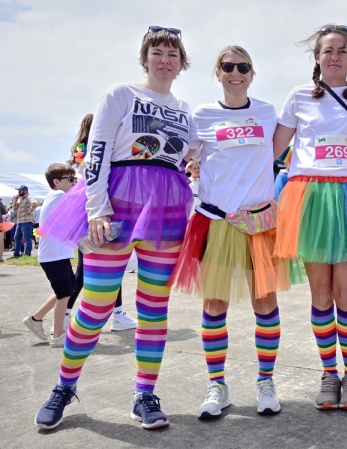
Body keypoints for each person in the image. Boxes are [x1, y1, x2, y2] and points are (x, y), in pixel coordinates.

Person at [34, 25, 197, 430]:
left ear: (181, 64)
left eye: (172, 54)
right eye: (157, 52)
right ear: (145, 58)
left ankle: (145, 394)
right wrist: (97, 210)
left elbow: (197, 155)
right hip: (118, 205)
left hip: (168, 210)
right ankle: (64, 387)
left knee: (154, 306)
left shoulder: (185, 109)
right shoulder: (121, 93)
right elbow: (98, 152)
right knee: (95, 303)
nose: (164, 59)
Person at [170, 45, 290, 418]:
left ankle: (265, 382)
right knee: (214, 305)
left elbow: (284, 148)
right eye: (227, 66)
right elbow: (179, 156)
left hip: (258, 224)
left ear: (252, 73)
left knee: (266, 304)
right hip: (216, 220)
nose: (235, 72)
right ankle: (217, 385)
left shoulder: (268, 112)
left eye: (243, 66)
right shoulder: (201, 115)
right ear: (217, 73)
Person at [272, 24, 347, 411]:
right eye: (328, 50)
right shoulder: (298, 96)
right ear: (317, 57)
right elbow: (273, 148)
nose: (335, 56)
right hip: (310, 198)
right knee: (319, 294)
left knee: (346, 293)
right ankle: (328, 373)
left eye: (342, 50)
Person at [57, 113, 137, 333]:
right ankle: (65, 314)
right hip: (101, 213)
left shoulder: (84, 152)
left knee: (108, 267)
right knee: (87, 271)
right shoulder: (100, 151)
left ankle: (118, 314)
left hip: (91, 212)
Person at [22, 164, 78, 347]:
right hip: (54, 255)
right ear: (56, 182)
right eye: (70, 179)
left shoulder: (55, 197)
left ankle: (35, 319)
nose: (74, 182)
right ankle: (58, 335)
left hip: (56, 254)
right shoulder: (58, 195)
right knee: (64, 293)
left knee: (67, 290)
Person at [10, 185, 38, 258]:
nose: (19, 192)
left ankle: (27, 254)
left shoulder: (29, 197)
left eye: (20, 190)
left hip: (27, 221)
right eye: (19, 190)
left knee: (27, 238)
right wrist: (15, 199)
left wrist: (29, 211)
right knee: (17, 238)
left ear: (25, 191)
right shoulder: (20, 198)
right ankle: (16, 254)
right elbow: (15, 208)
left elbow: (35, 203)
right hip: (20, 221)